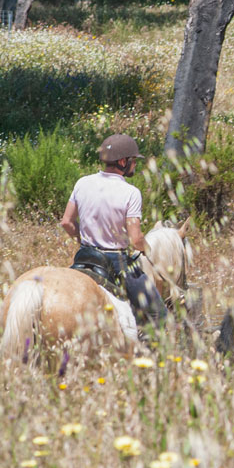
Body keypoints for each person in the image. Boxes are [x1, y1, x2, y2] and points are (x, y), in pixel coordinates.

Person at [61, 134, 164, 325]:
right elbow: (135, 239)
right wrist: (147, 249)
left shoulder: (82, 183)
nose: (135, 165)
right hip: (115, 262)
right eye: (133, 161)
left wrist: (80, 236)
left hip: (84, 257)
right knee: (158, 314)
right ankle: (148, 351)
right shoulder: (131, 193)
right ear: (123, 161)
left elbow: (66, 222)